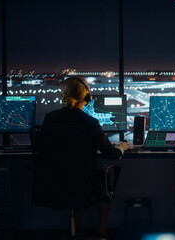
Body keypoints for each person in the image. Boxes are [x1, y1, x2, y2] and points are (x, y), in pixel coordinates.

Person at [42, 77, 130, 239]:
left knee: (77, 181)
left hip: (54, 180)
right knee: (102, 179)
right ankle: (102, 232)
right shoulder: (90, 122)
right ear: (87, 97)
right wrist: (122, 147)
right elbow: (111, 154)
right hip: (83, 181)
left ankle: (76, 230)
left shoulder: (50, 118)